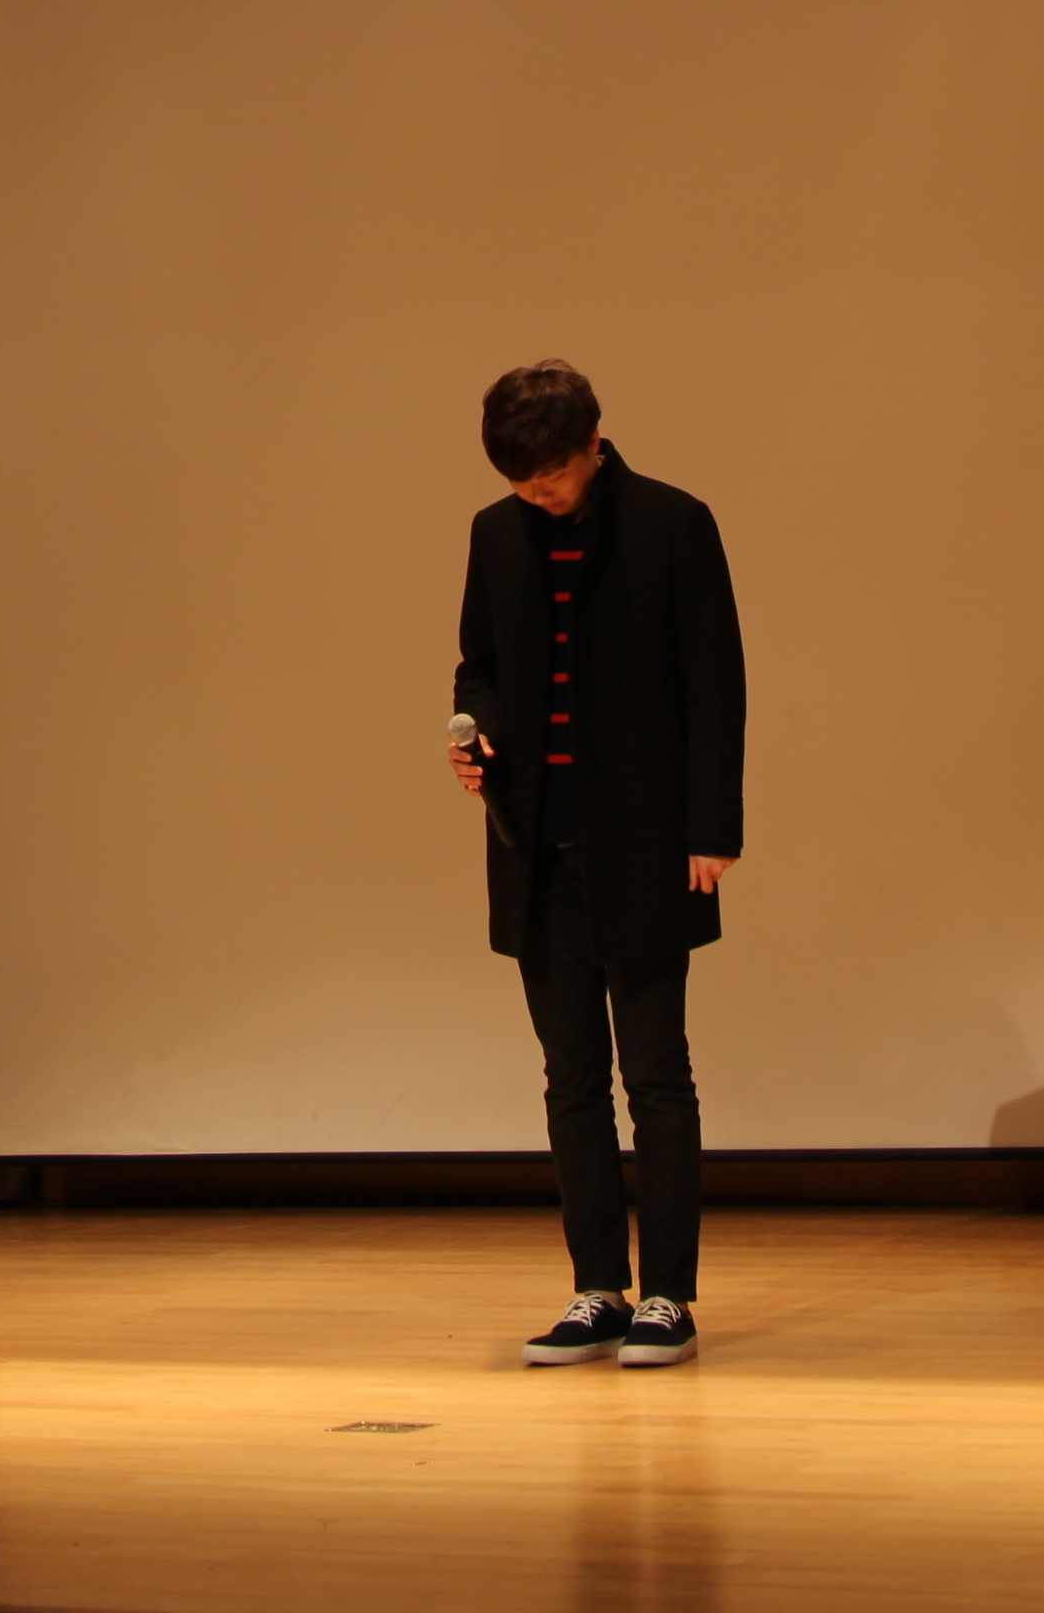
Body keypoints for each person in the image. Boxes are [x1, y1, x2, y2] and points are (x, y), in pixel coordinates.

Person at [446, 360, 745, 1370]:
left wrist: (712, 829)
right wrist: (476, 730)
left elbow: (715, 686)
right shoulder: (495, 535)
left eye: (551, 475)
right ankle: (597, 1288)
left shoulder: (672, 524)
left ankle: (667, 1295)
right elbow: (479, 667)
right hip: (536, 846)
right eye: (521, 480)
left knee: (655, 1074)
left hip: (649, 844)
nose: (537, 493)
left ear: (591, 445)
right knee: (569, 1076)